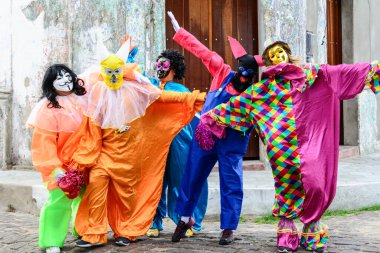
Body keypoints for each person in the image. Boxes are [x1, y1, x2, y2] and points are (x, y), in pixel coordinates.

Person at [196, 37, 380, 253]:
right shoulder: (262, 90)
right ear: (268, 62)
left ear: (288, 54)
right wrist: (210, 119)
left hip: (312, 144)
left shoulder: (314, 75)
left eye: (280, 51)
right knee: (286, 186)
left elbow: (342, 72)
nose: (277, 56)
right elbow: (238, 104)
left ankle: (312, 226)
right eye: (271, 55)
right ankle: (287, 231)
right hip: (281, 150)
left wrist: (370, 69)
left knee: (316, 183)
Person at [61, 37, 206, 248]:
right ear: (102, 72)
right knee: (95, 191)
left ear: (122, 71)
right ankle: (93, 233)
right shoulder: (98, 91)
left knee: (127, 196)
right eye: (108, 72)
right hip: (103, 154)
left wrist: (189, 99)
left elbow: (161, 97)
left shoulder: (136, 89)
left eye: (116, 72)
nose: (112, 76)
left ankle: (127, 231)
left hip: (128, 156)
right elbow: (87, 115)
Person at [166, 11, 263, 245]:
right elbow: (203, 51)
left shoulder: (256, 93)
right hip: (206, 135)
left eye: (248, 75)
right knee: (192, 175)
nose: (243, 77)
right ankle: (185, 218)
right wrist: (180, 32)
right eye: (241, 71)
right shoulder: (221, 73)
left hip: (232, 140)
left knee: (231, 180)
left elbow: (264, 118)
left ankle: (229, 227)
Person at [146, 49, 208, 238]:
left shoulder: (183, 91)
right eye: (158, 64)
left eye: (164, 65)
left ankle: (187, 220)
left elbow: (193, 116)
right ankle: (153, 222)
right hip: (156, 140)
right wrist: (128, 57)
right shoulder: (150, 86)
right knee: (154, 181)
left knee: (182, 179)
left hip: (178, 140)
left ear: (174, 68)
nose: (160, 68)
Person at [26, 64, 88, 253]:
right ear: (50, 83)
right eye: (59, 77)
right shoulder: (47, 108)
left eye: (67, 76)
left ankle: (84, 230)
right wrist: (55, 168)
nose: (65, 80)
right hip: (61, 165)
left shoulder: (82, 101)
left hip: (84, 161)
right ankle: (52, 239)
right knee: (58, 201)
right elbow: (44, 143)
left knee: (85, 198)